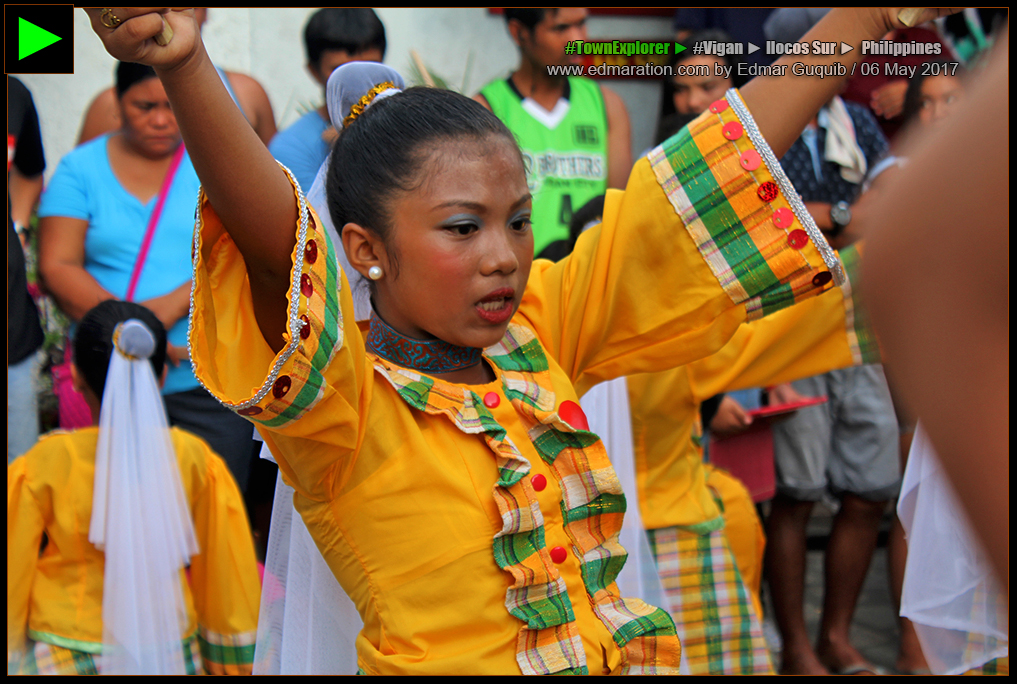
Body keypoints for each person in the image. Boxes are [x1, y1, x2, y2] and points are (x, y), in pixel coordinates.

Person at [83, 7, 949, 675]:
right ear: (364, 251)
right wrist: (187, 61)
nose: (502, 255)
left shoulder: (540, 330)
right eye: (462, 228)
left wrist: (867, 17)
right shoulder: (346, 406)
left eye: (518, 221)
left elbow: (705, 175)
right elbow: (276, 245)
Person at [38, 61, 259, 492]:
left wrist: (171, 307)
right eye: (144, 106)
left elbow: (246, 250)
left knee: (213, 506)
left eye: (169, 106)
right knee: (114, 509)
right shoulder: (80, 169)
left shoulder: (216, 161)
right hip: (110, 379)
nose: (160, 119)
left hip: (208, 380)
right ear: (117, 105)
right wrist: (132, 327)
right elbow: (57, 264)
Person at [7, 300, 260, 675]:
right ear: (159, 377)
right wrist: (230, 663)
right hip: (169, 649)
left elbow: (13, 566)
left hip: (60, 649)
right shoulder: (194, 460)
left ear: (76, 378)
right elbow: (226, 572)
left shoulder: (45, 462)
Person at [475, 8, 631, 257]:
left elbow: (618, 213)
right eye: (561, 28)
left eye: (581, 24)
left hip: (588, 278)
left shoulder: (607, 106)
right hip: (525, 283)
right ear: (519, 33)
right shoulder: (487, 111)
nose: (578, 40)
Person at [77, 8, 277, 146]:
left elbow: (281, 184)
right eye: (145, 106)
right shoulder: (106, 105)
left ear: (207, 13)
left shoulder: (249, 92)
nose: (160, 122)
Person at [268, 8, 387, 191]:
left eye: (370, 67)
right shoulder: (290, 149)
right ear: (314, 71)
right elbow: (318, 218)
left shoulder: (411, 125)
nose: (357, 81)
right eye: (340, 71)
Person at [7, 76, 47, 463]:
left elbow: (30, 169)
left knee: (18, 486)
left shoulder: (14, 94)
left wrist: (18, 227)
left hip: (12, 340)